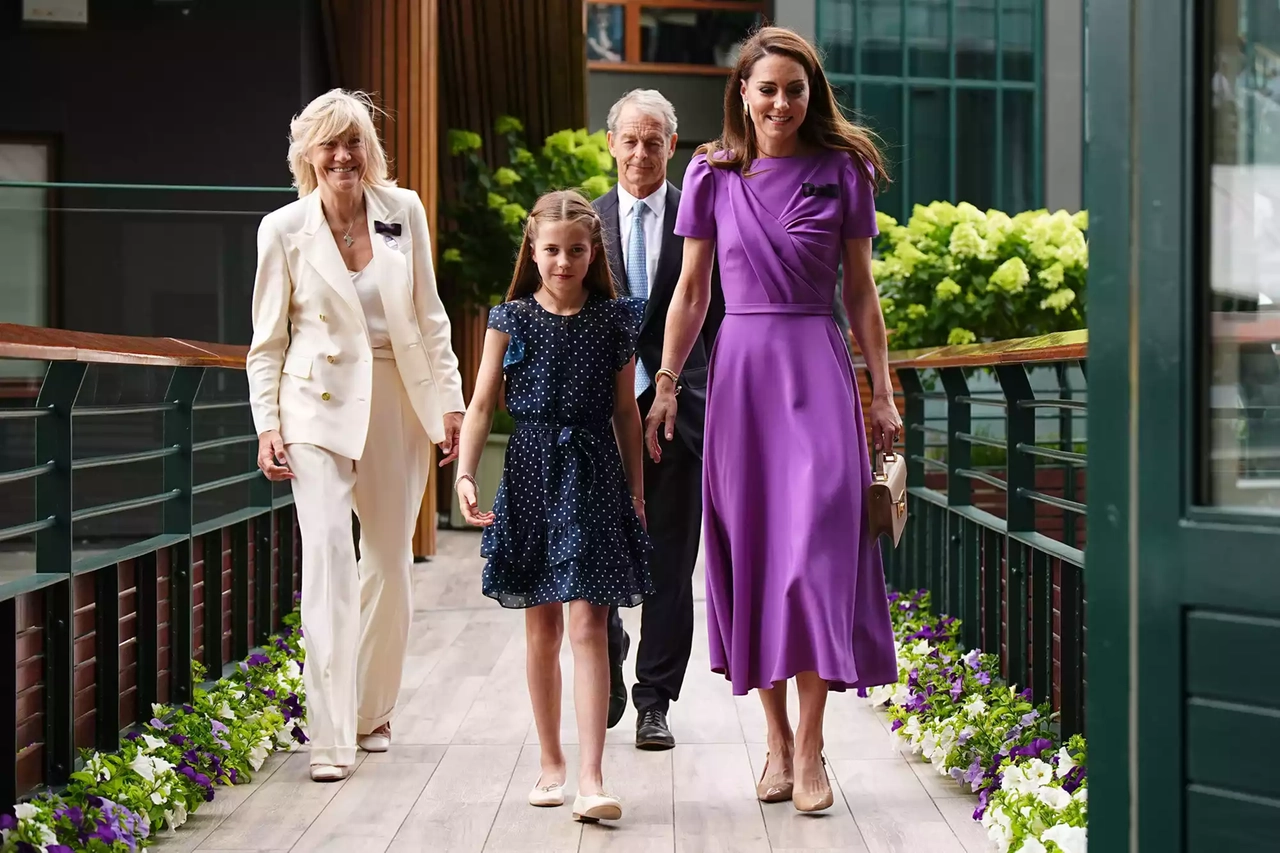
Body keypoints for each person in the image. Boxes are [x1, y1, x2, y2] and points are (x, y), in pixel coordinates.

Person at [643, 26, 903, 813]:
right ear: (744, 97)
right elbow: (691, 293)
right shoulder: (710, 175)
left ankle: (815, 741)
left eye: (795, 88)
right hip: (742, 376)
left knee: (820, 548)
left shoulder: (844, 170)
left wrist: (882, 390)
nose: (781, 102)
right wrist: (663, 381)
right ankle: (777, 739)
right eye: (767, 89)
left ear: (810, 94)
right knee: (755, 553)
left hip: (817, 370)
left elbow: (859, 292)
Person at [247, 89, 466, 783]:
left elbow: (431, 317)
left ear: (370, 149)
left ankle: (372, 709)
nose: (343, 156)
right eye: (329, 145)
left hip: (395, 401)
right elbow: (266, 342)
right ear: (307, 155)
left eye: (354, 143)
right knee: (329, 565)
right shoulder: (282, 230)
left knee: (390, 564)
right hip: (314, 406)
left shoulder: (404, 213)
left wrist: (451, 403)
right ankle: (330, 734)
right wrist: (267, 424)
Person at [454, 190, 653, 823]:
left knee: (589, 624)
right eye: (551, 251)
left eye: (575, 250)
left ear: (593, 252)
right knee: (540, 626)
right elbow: (483, 404)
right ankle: (550, 764)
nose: (563, 262)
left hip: (593, 474)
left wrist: (637, 492)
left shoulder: (614, 318)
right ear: (532, 251)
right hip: (531, 469)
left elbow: (627, 411)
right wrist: (463, 473)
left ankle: (593, 776)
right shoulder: (510, 319)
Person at [594, 89, 725, 749]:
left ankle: (654, 701)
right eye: (630, 139)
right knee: (602, 547)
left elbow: (722, 315)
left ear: (672, 147)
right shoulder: (584, 224)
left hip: (684, 410)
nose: (641, 152)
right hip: (600, 416)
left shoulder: (702, 216)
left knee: (673, 561)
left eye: (654, 141)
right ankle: (610, 645)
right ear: (610, 143)